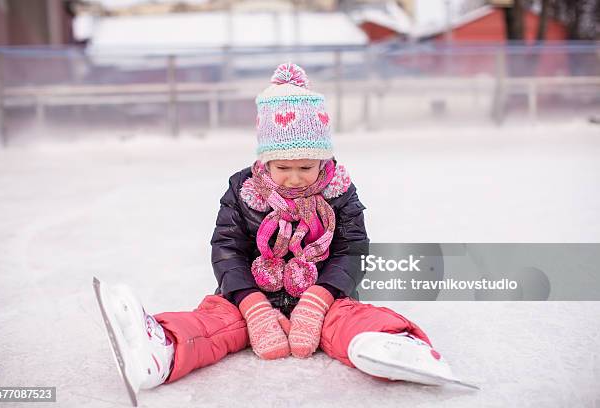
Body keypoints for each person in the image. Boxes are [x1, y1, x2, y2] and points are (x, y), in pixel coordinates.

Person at [95, 63, 452, 404]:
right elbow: (227, 248)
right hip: (247, 296)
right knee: (217, 323)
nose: (294, 178)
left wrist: (320, 298)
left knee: (346, 321)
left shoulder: (339, 191)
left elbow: (352, 249)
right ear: (265, 161)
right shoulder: (243, 189)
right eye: (283, 167)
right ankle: (165, 346)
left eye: (306, 167)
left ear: (324, 161)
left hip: (324, 299)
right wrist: (251, 305)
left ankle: (393, 343)